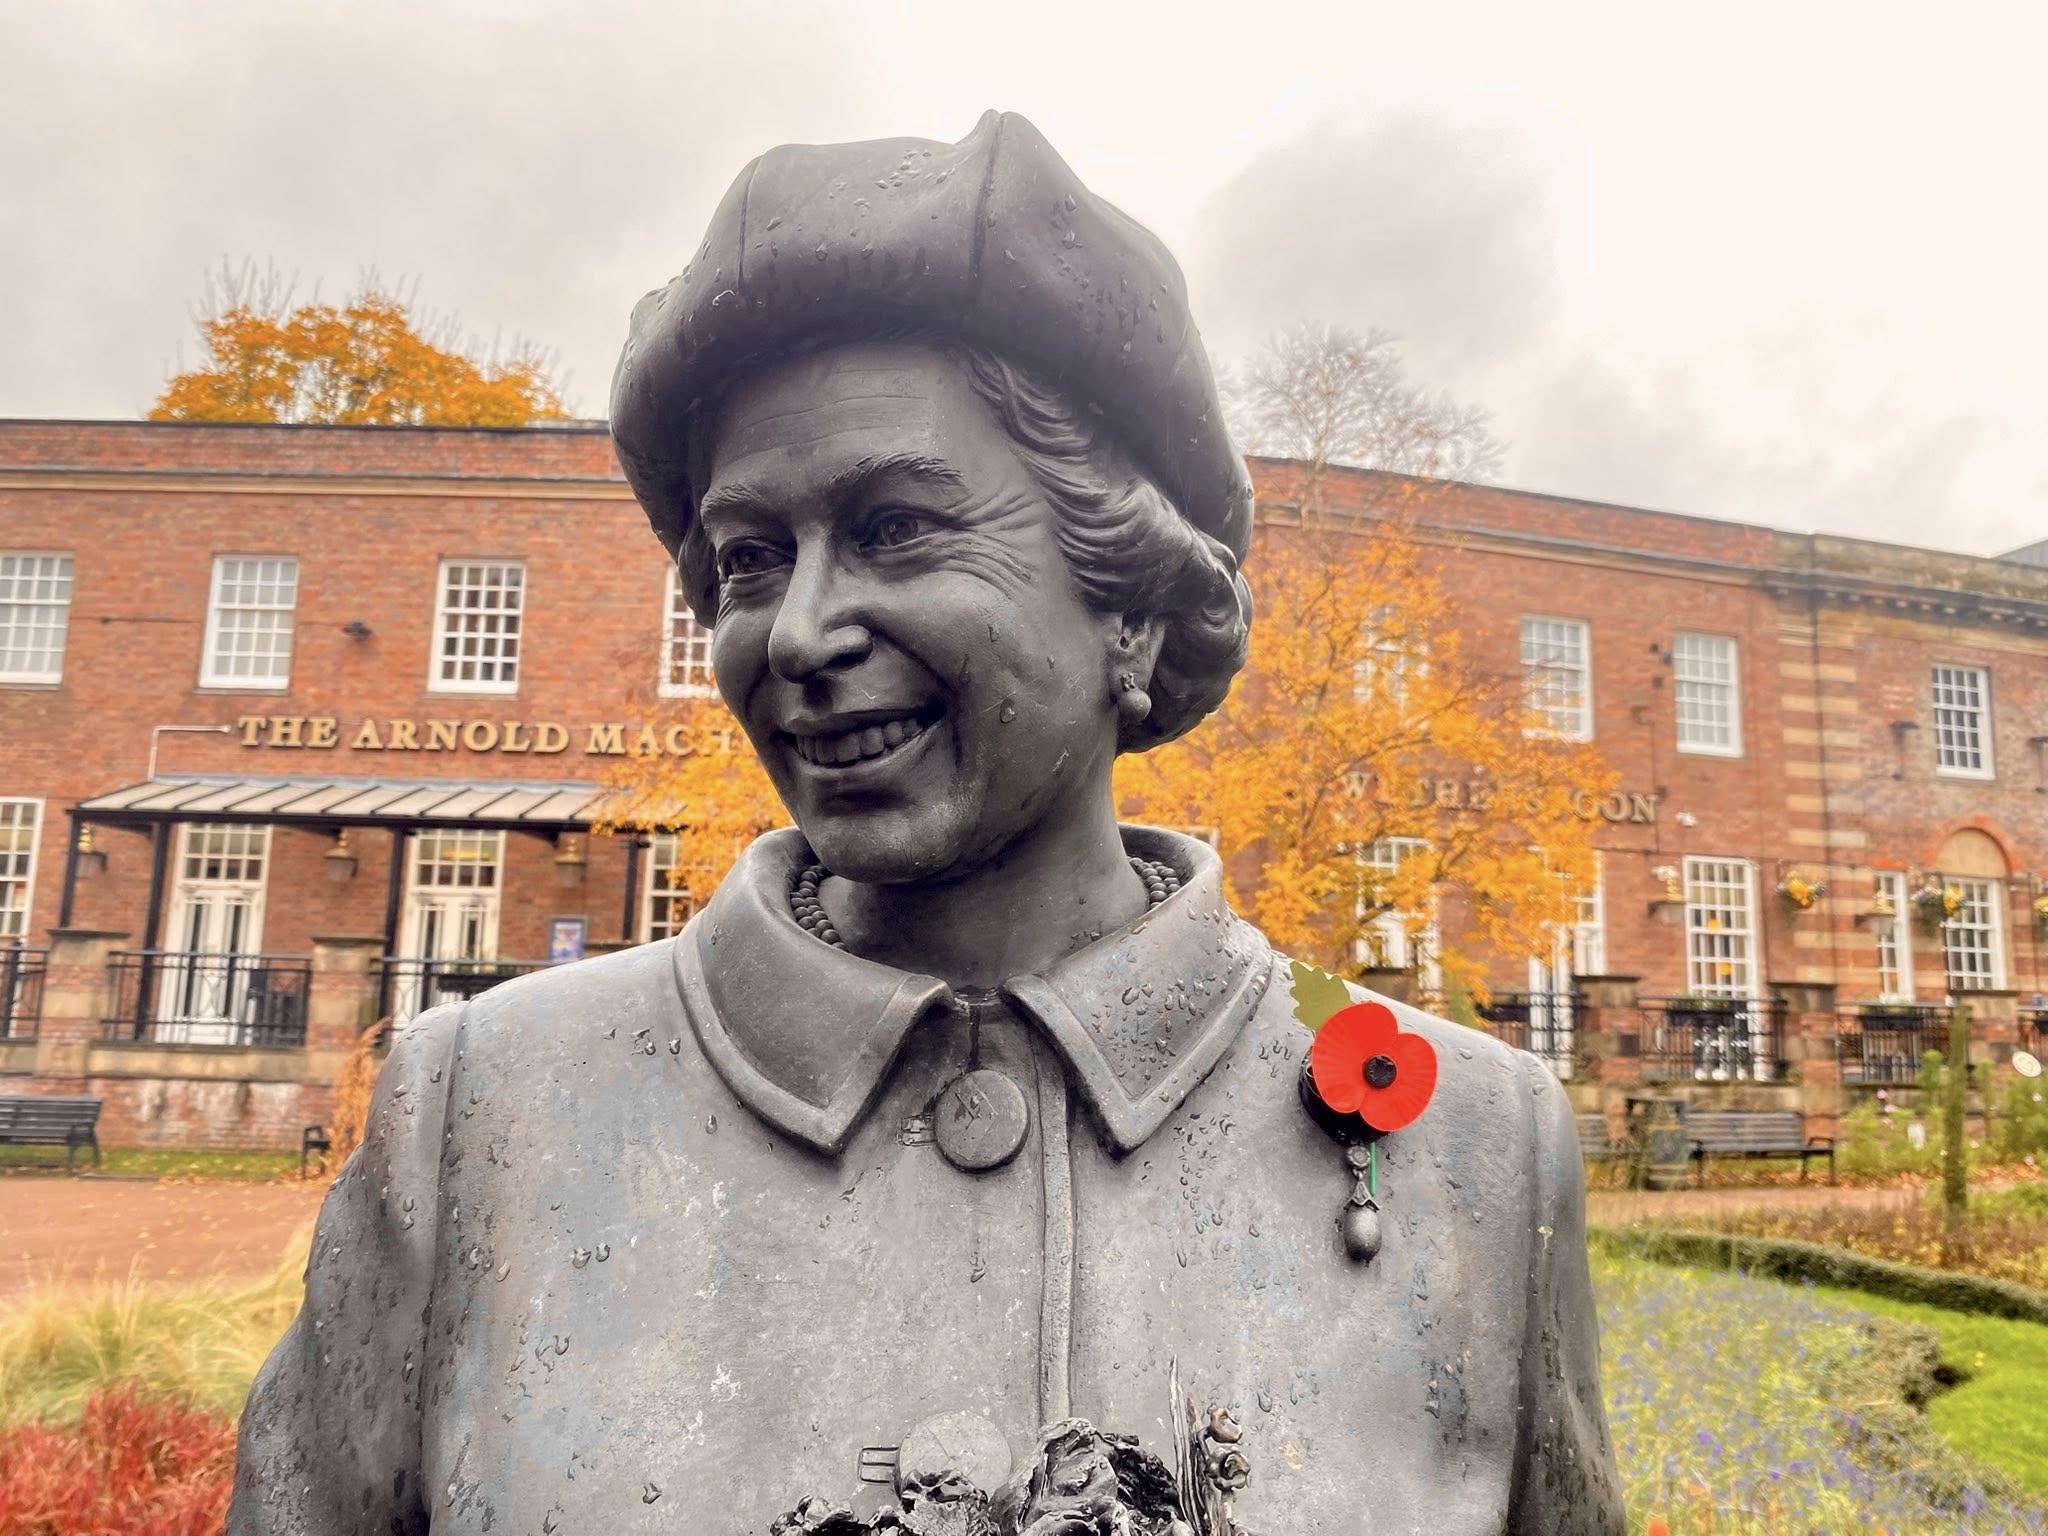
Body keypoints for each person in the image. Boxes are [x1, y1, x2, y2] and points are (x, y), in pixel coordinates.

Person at [230, 111, 1624, 1534]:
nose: (800, 631)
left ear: (1131, 608)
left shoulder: (1473, 1148)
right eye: (751, 560)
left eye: (897, 527)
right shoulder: (485, 1114)